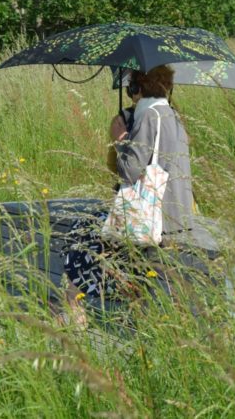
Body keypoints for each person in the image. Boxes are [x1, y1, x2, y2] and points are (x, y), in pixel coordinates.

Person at [62, 65, 213, 320]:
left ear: (137, 88)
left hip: (156, 218)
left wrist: (119, 139)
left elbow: (129, 172)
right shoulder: (173, 117)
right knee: (104, 235)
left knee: (82, 232)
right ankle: (116, 301)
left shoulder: (147, 116)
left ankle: (74, 310)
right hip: (179, 214)